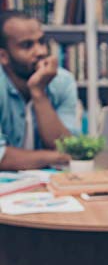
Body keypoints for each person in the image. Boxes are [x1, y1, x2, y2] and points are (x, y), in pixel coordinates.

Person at [0, 11, 78, 170]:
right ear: (3, 56)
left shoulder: (62, 81)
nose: (41, 51)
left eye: (41, 42)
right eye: (27, 45)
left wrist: (39, 93)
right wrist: (55, 157)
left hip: (49, 187)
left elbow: (65, 146)